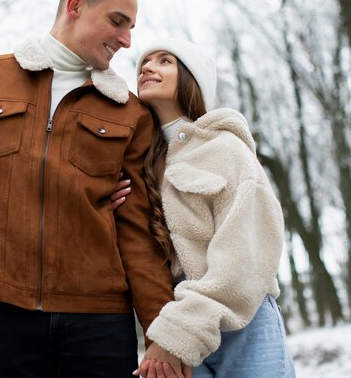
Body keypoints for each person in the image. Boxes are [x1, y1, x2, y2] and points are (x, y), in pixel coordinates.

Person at [0, 0, 182, 377]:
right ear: (75, 5)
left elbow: (136, 230)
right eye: (117, 21)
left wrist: (161, 329)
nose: (127, 40)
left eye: (131, 27)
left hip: (100, 322)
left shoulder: (130, 113)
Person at [124, 38, 297, 378]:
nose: (147, 67)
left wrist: (178, 333)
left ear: (191, 77)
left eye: (164, 61)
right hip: (177, 326)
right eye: (144, 63)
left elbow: (248, 254)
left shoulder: (226, 148)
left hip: (243, 323)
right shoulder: (140, 162)